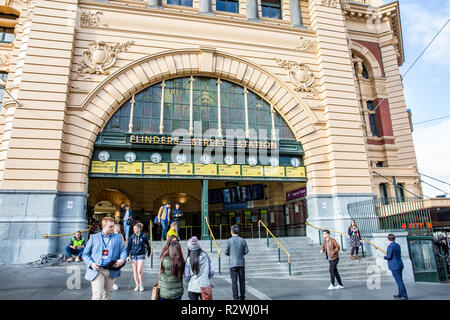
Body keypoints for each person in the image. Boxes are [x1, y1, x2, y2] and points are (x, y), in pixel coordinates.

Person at [82, 216, 127, 300]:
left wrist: (122, 259)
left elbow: (123, 251)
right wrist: (91, 264)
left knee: (106, 296)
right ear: (103, 226)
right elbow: (85, 254)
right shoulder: (93, 237)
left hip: (111, 269)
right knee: (97, 296)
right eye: (110, 227)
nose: (113, 228)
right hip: (97, 270)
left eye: (113, 226)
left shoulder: (117, 237)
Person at [184, 236, 214, 300]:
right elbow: (212, 272)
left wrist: (189, 280)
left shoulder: (188, 260)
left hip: (192, 287)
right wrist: (206, 277)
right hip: (205, 286)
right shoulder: (206, 256)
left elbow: (186, 277)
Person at [225, 225, 249, 300]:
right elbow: (246, 251)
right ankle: (242, 297)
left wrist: (231, 254)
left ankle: (235, 297)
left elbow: (226, 252)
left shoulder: (229, 241)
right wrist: (241, 254)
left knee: (234, 282)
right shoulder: (243, 240)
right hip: (241, 263)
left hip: (232, 264)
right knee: (242, 282)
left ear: (231, 232)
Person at [126, 222, 151, 292]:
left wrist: (149, 252)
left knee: (139, 270)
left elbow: (148, 245)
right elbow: (128, 247)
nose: (134, 230)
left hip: (141, 254)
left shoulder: (144, 236)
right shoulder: (132, 237)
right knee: (135, 271)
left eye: (135, 229)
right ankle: (137, 285)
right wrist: (127, 256)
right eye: (133, 229)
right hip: (133, 255)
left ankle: (141, 284)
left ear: (139, 229)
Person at [384, 233, 408, 300]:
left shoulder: (390, 246)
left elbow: (389, 256)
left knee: (399, 281)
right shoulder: (397, 245)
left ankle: (404, 295)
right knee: (399, 280)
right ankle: (400, 294)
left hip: (394, 266)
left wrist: (384, 257)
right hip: (399, 264)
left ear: (388, 239)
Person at [112, 224, 125, 291]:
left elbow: (123, 245)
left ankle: (113, 283)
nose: (117, 229)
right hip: (111, 255)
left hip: (118, 255)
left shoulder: (120, 236)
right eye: (116, 228)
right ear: (113, 229)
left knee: (116, 270)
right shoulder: (111, 235)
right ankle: (110, 283)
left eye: (118, 228)